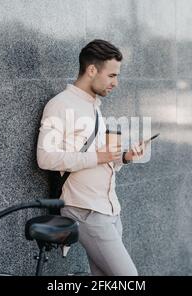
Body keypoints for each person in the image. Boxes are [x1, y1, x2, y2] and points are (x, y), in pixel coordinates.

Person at [36, 39, 146, 276]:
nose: (116, 83)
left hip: (109, 209)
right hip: (85, 209)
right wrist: (97, 157)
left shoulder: (94, 107)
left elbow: (98, 159)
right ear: (92, 70)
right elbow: (45, 157)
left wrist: (124, 157)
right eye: (112, 75)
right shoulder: (60, 105)